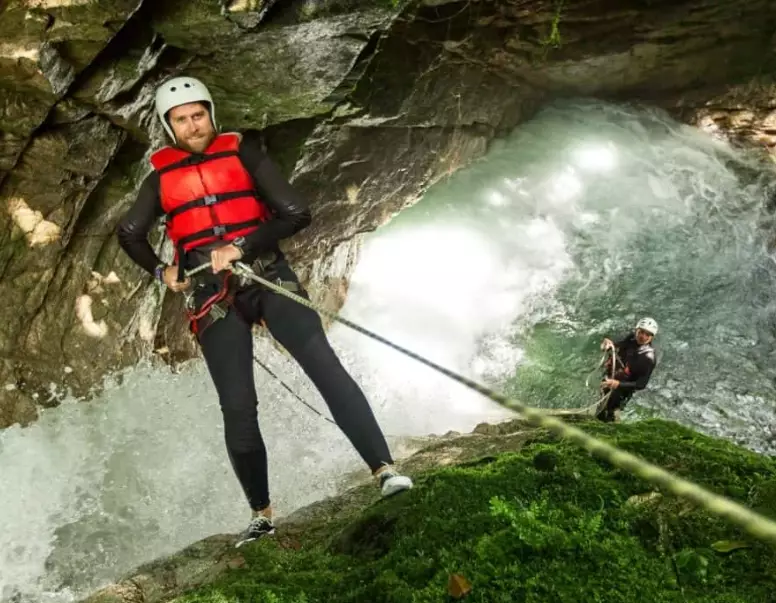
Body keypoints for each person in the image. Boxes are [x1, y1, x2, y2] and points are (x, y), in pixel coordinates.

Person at [116, 76, 413, 547]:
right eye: (181, 119)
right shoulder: (160, 180)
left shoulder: (245, 154)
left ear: (211, 113)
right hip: (212, 298)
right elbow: (130, 234)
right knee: (238, 407)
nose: (193, 125)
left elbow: (296, 212)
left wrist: (240, 246)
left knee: (325, 368)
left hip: (267, 276)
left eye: (198, 115)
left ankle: (386, 470)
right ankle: (261, 515)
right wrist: (161, 271)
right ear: (169, 127)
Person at [596, 317, 658, 422]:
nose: (643, 336)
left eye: (647, 334)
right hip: (613, 376)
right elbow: (619, 345)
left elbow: (641, 384)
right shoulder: (632, 338)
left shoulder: (648, 358)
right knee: (600, 403)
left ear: (652, 337)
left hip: (623, 388)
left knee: (610, 411)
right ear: (636, 330)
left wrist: (617, 384)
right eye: (641, 332)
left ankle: (611, 426)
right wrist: (609, 344)